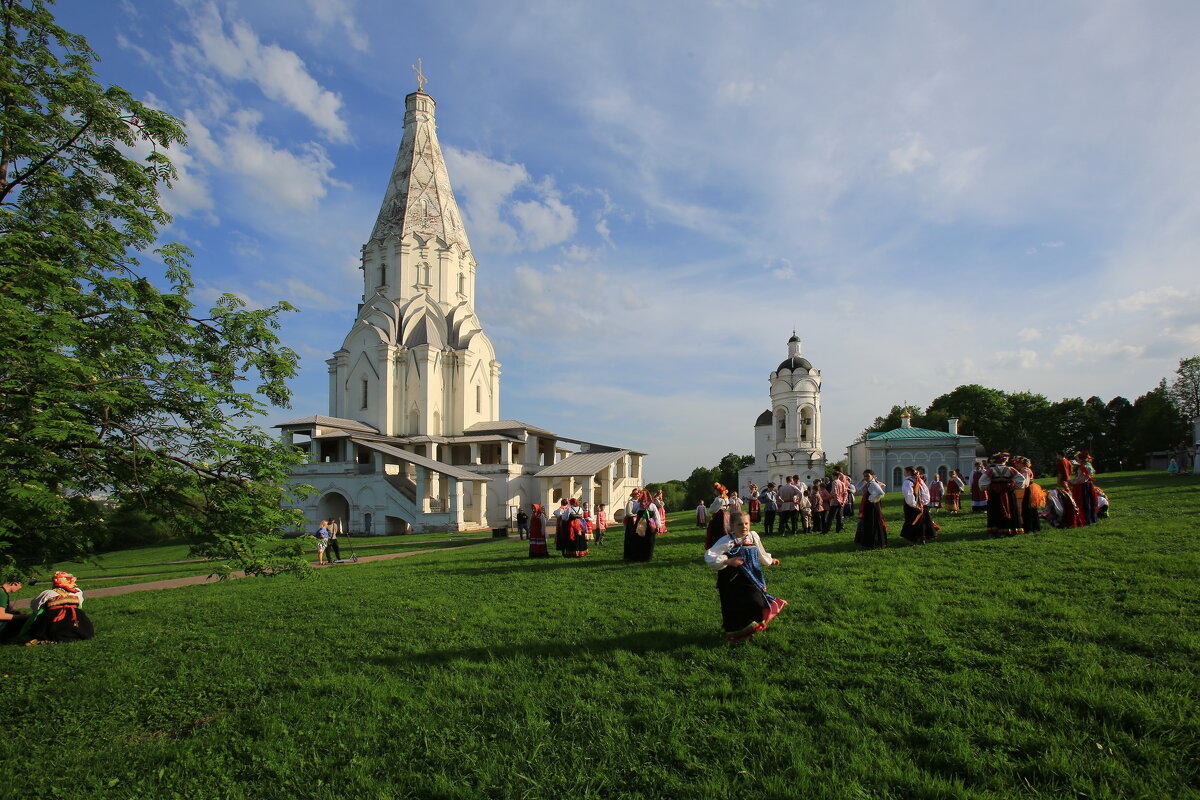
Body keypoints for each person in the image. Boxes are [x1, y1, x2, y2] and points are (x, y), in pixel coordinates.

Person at [704, 510, 785, 642]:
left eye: (746, 523)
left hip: (751, 577)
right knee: (734, 606)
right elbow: (709, 555)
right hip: (732, 579)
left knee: (757, 601)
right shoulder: (727, 540)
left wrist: (770, 561)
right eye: (740, 524)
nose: (744, 527)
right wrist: (728, 561)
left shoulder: (753, 536)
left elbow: (760, 552)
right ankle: (738, 633)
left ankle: (751, 627)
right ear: (732, 526)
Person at [20, 571, 94, 644]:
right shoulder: (78, 592)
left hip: (54, 618)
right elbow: (79, 605)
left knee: (40, 622)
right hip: (74, 616)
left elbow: (35, 605)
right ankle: (78, 632)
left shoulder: (48, 593)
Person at [978, 453, 1026, 535]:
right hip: (1008, 492)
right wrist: (1014, 486)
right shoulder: (1010, 469)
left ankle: (996, 528)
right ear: (1005, 461)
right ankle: (1012, 528)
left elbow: (982, 481)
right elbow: (1021, 479)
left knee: (995, 510)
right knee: (1011, 508)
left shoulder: (991, 470)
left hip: (995, 493)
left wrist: (988, 487)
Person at [899, 466, 938, 544]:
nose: (903, 473)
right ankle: (921, 538)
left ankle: (912, 540)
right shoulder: (919, 480)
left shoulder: (908, 482)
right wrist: (924, 502)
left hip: (912, 505)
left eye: (905, 471)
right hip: (923, 505)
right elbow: (926, 492)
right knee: (922, 522)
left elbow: (908, 494)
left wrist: (913, 504)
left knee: (911, 521)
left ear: (908, 472)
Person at [624, 489, 660, 561]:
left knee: (638, 541)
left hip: (639, 525)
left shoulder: (636, 505)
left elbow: (633, 513)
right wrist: (658, 526)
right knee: (649, 541)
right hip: (650, 526)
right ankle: (647, 557)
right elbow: (656, 516)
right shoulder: (652, 505)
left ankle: (638, 556)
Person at [855, 470, 887, 549]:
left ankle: (874, 543)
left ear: (872, 475)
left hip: (872, 505)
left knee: (872, 522)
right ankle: (871, 542)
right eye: (864, 476)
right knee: (869, 522)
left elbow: (881, 492)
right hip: (869, 505)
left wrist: (871, 498)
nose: (865, 478)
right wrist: (863, 480)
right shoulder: (868, 483)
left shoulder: (873, 483)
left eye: (867, 476)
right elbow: (858, 487)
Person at [1011, 456, 1043, 533]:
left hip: (1028, 489)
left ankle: (1029, 526)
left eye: (1018, 463)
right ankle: (1033, 526)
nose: (1016, 465)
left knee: (1027, 507)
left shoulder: (1025, 470)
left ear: (1022, 463)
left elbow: (1025, 482)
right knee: (1029, 508)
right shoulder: (1024, 470)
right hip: (1028, 488)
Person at [1071, 451, 1099, 525]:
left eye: (1077, 458)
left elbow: (1081, 479)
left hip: (1083, 486)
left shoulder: (1083, 467)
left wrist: (1071, 481)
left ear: (1080, 459)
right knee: (1090, 501)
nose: (1076, 460)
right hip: (1089, 485)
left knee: (1085, 502)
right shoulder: (1088, 465)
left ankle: (1087, 519)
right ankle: (1093, 518)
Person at [1, 579, 30, 644]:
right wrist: (22, 617)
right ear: (15, 583)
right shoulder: (2, 595)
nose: (20, 587)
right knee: (22, 620)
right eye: (21, 585)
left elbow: (10, 610)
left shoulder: (3, 592)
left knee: (17, 613)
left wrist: (21, 615)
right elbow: (1, 615)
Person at [705, 483, 732, 548]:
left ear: (717, 491)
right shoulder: (726, 498)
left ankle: (717, 544)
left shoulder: (718, 499)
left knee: (716, 531)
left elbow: (712, 509)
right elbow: (727, 507)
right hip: (726, 515)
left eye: (715, 490)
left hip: (718, 516)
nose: (714, 491)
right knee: (725, 529)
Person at [826, 468, 850, 533]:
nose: (832, 477)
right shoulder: (842, 483)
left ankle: (826, 530)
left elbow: (834, 492)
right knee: (839, 516)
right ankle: (838, 529)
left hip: (835, 502)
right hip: (841, 501)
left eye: (832, 476)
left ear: (835, 476)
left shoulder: (834, 482)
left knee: (830, 517)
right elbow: (845, 492)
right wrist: (844, 501)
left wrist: (838, 500)